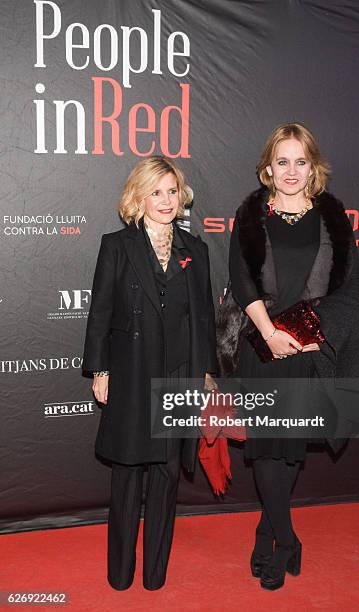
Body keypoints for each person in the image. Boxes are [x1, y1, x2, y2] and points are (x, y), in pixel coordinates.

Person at [216, 122, 359, 591]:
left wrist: (324, 336)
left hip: (310, 352)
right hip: (263, 348)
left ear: (313, 167)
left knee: (289, 451)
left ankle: (265, 534)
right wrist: (270, 333)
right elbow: (242, 282)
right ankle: (288, 539)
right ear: (268, 170)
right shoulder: (251, 217)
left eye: (301, 161)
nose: (292, 170)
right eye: (283, 161)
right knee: (265, 451)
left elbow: (350, 290)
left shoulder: (333, 219)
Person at [82, 156, 217, 591]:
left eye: (172, 191)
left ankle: (155, 574)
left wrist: (207, 375)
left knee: (167, 475)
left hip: (178, 377)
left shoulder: (196, 250)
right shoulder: (117, 245)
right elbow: (100, 312)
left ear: (182, 198)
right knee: (127, 475)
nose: (165, 200)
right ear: (138, 197)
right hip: (133, 374)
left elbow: (204, 318)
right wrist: (100, 368)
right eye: (156, 191)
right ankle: (119, 574)